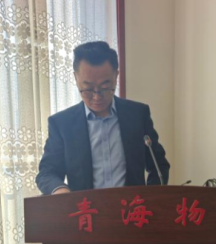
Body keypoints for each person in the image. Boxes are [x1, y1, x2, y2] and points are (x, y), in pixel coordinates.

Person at [36, 41, 170, 195]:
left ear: (116, 76)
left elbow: (159, 165)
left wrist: (151, 198)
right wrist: (60, 190)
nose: (97, 96)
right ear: (76, 78)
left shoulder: (137, 115)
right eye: (88, 88)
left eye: (105, 87)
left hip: (132, 208)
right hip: (85, 208)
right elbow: (47, 173)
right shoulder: (62, 123)